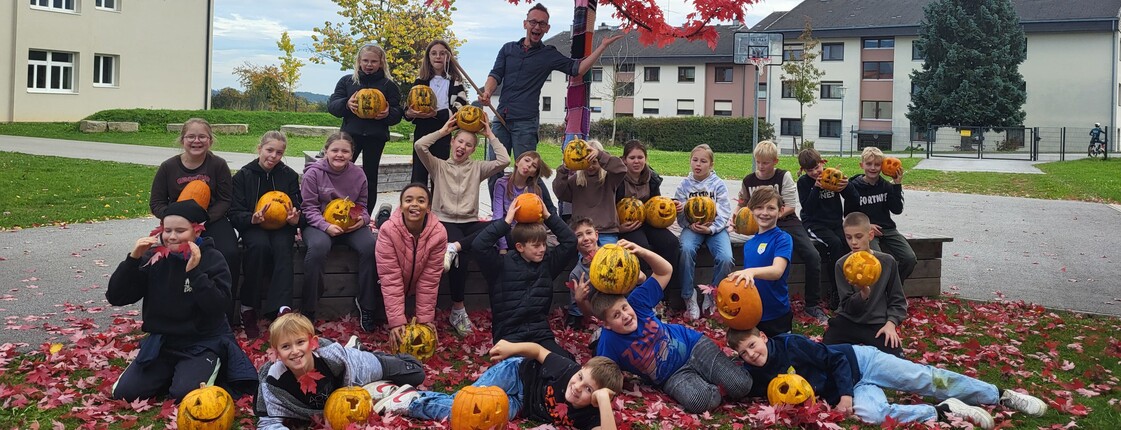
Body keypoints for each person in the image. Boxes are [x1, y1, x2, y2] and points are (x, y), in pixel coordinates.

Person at [728, 328, 1047, 429]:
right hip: (854, 386)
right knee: (874, 414)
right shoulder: (757, 372)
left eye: (752, 345)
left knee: (926, 379)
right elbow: (742, 388)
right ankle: (943, 411)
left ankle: (1000, 394)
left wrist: (845, 396)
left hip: (862, 361)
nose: (751, 354)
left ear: (763, 336)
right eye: (743, 353)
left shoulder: (790, 343)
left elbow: (835, 358)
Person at [106, 199, 257, 402]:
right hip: (163, 342)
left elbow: (218, 306)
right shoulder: (154, 259)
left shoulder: (213, 258)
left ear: (197, 231)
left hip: (202, 342)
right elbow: (116, 297)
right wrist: (132, 261)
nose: (172, 237)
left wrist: (195, 274)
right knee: (124, 393)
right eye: (167, 230)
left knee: (186, 394)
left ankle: (194, 371)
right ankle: (172, 373)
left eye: (180, 230)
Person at [579, 240, 753, 414]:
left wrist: (642, 251)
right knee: (701, 402)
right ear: (607, 325)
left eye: (624, 308)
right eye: (616, 315)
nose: (625, 315)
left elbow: (665, 271)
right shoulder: (609, 343)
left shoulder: (637, 302)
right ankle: (710, 379)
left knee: (741, 386)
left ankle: (721, 371)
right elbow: (600, 375)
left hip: (693, 346)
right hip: (672, 376)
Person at [478, 2, 623, 168]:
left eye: (542, 24)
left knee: (527, 172)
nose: (537, 27)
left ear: (547, 28)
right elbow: (495, 74)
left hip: (525, 123)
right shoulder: (508, 49)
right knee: (493, 169)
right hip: (501, 117)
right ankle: (499, 195)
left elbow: (577, 69)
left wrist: (602, 47)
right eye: (533, 22)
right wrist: (488, 91)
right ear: (525, 23)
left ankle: (535, 196)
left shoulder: (548, 54)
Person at [373, 340, 622, 430]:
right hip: (516, 373)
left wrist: (601, 401)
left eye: (589, 389)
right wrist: (512, 348)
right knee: (468, 400)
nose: (578, 386)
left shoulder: (591, 417)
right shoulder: (566, 369)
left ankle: (409, 398)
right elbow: (537, 351)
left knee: (472, 415)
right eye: (581, 377)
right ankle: (408, 399)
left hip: (520, 403)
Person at [415, 117, 509, 336]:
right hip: (444, 221)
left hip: (469, 223)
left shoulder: (478, 168)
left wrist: (491, 135)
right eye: (460, 142)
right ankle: (458, 309)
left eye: (468, 145)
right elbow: (420, 145)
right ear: (452, 142)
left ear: (473, 150)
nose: (462, 147)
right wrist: (443, 130)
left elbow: (504, 160)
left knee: (498, 225)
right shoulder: (437, 165)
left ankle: (454, 247)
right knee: (463, 258)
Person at [255, 312, 427, 429]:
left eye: (300, 342)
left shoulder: (329, 355)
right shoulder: (274, 382)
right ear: (277, 352)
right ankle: (378, 383)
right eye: (286, 346)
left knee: (416, 372)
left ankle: (362, 351)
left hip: (356, 369)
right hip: (332, 398)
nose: (295, 351)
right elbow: (268, 422)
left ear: (313, 343)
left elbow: (350, 384)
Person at [149, 117, 241, 326]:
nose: (196, 141)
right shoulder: (168, 167)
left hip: (212, 220)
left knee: (230, 253)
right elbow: (156, 203)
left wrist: (204, 221)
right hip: (177, 224)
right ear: (182, 139)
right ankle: (167, 313)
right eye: (191, 136)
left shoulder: (218, 165)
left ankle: (226, 315)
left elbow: (225, 199)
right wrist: (175, 219)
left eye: (202, 136)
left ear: (210, 140)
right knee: (162, 259)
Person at [471, 200, 577, 359]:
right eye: (536, 246)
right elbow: (479, 245)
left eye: (543, 244)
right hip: (509, 337)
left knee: (566, 363)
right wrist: (506, 222)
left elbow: (570, 241)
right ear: (520, 247)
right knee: (521, 370)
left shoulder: (547, 264)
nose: (542, 249)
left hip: (540, 335)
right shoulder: (500, 265)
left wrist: (548, 216)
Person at [738, 141, 827, 324]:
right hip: (760, 222)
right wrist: (738, 217)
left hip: (787, 221)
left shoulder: (783, 176)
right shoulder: (748, 180)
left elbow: (791, 206)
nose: (761, 167)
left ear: (775, 161)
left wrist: (772, 217)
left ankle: (812, 304)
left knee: (813, 255)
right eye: (758, 162)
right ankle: (753, 299)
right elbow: (742, 205)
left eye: (766, 163)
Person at [300, 132, 381, 330]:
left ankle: (367, 305)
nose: (339, 154)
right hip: (318, 224)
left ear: (352, 154)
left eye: (345, 151)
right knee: (317, 248)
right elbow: (308, 207)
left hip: (350, 225)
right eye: (335, 150)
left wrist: (362, 221)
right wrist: (325, 226)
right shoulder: (313, 174)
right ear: (326, 151)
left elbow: (363, 206)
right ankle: (308, 308)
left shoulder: (359, 175)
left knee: (370, 246)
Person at [229, 131, 302, 338]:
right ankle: (248, 307)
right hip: (253, 226)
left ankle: (281, 308)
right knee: (259, 247)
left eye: (279, 152)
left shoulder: (288, 175)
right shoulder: (244, 175)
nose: (273, 156)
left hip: (282, 227)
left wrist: (295, 218)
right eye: (269, 150)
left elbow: (297, 206)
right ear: (259, 148)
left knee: (283, 249)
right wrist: (251, 218)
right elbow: (234, 212)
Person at [327, 43, 403, 218]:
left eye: (373, 61)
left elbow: (398, 112)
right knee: (341, 173)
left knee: (370, 178)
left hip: (375, 137)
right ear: (359, 62)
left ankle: (364, 215)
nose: (369, 65)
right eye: (366, 61)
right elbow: (332, 106)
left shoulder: (388, 85)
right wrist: (346, 103)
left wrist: (388, 113)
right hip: (349, 136)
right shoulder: (348, 81)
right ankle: (336, 212)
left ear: (381, 63)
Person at [822, 212, 907, 357]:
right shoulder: (842, 264)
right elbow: (847, 306)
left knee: (896, 360)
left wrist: (891, 323)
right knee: (826, 355)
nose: (853, 242)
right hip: (848, 321)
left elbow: (897, 300)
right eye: (849, 237)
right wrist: (863, 294)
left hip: (876, 323)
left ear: (871, 235)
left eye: (858, 236)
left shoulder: (887, 262)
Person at [376, 183, 448, 346]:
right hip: (386, 283)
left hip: (415, 282)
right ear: (401, 206)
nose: (414, 204)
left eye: (421, 201)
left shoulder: (439, 233)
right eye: (408, 200)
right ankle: (383, 215)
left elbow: (430, 280)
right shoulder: (387, 231)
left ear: (428, 208)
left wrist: (424, 320)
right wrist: (396, 321)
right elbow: (390, 278)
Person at [673, 144, 734, 321]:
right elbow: (679, 211)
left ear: (711, 165)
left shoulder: (718, 185)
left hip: (715, 229)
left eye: (703, 161)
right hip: (693, 228)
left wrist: (711, 228)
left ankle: (712, 292)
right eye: (695, 160)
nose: (698, 164)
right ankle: (688, 296)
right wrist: (687, 223)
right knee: (685, 250)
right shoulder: (684, 185)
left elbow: (724, 211)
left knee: (726, 258)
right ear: (690, 162)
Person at [726, 188, 795, 337]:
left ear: (781, 211)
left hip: (776, 313)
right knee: (757, 354)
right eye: (759, 207)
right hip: (753, 312)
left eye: (771, 208)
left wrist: (750, 271)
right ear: (751, 210)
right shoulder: (749, 245)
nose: (764, 212)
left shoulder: (782, 239)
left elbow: (777, 271)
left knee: (781, 355)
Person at [796, 148, 858, 311]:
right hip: (814, 223)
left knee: (847, 244)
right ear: (804, 170)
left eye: (817, 168)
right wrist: (816, 188)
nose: (816, 172)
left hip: (835, 222)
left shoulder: (833, 176)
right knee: (835, 244)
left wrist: (846, 186)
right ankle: (835, 290)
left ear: (823, 163)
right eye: (810, 170)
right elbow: (808, 208)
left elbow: (854, 199)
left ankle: (848, 290)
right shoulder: (803, 183)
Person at [615, 139, 681, 293]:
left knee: (671, 243)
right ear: (624, 160)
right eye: (632, 158)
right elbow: (609, 207)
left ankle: (666, 292)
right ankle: (644, 291)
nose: (636, 161)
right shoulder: (617, 179)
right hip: (628, 225)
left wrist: (671, 205)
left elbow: (656, 203)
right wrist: (619, 227)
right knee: (641, 247)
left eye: (640, 157)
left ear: (645, 159)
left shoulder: (651, 178)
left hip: (649, 222)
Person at [843, 147, 916, 283]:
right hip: (865, 230)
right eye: (869, 164)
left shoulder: (886, 186)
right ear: (862, 165)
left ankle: (893, 288)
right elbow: (849, 215)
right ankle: (880, 293)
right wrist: (867, 226)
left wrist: (897, 185)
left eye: (877, 164)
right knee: (877, 260)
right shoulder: (853, 187)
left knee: (909, 258)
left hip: (887, 229)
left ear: (882, 166)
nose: (873, 168)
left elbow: (897, 209)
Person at [405, 40, 469, 186]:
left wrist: (436, 114)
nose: (438, 56)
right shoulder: (420, 81)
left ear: (449, 57)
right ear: (428, 58)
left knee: (440, 173)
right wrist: (410, 112)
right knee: (419, 172)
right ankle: (418, 204)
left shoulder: (455, 82)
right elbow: (408, 107)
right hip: (423, 130)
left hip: (443, 130)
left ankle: (438, 207)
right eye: (434, 53)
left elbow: (460, 107)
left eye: (442, 53)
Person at [554, 139, 627, 245]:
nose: (590, 166)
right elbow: (560, 192)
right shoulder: (576, 180)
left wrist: (600, 155)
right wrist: (563, 170)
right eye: (587, 162)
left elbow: (621, 169)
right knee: (582, 260)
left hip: (606, 232)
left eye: (594, 162)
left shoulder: (609, 179)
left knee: (607, 259)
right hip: (583, 232)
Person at [492, 150, 557, 252]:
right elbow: (497, 217)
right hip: (506, 230)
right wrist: (503, 247)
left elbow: (538, 221)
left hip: (527, 232)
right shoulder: (501, 184)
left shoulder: (536, 190)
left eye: (534, 166)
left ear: (534, 173)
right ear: (517, 162)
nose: (529, 165)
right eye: (527, 160)